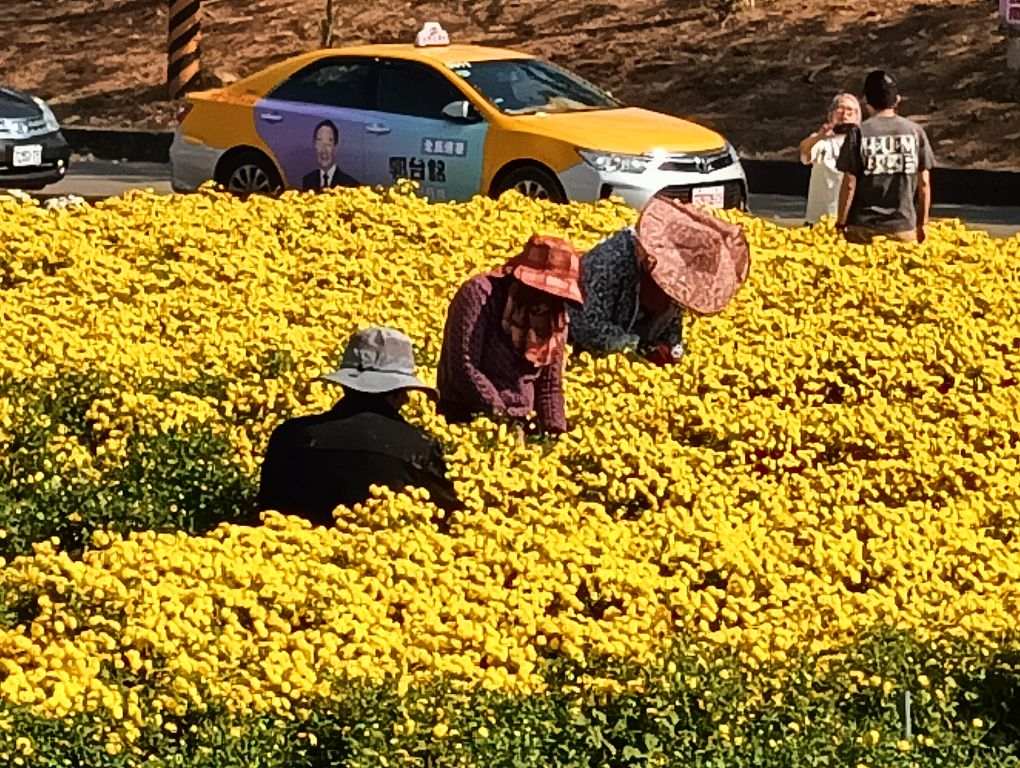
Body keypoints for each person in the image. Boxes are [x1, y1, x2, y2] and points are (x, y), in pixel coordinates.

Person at [257, 327, 461, 526]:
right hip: (384, 556)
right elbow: (446, 520)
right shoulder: (419, 447)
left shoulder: (289, 436)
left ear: (345, 385)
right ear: (398, 393)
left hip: (289, 554)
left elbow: (265, 511)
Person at [437, 235, 584, 435]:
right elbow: (464, 366)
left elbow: (550, 386)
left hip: (519, 423)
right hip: (464, 418)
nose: (548, 300)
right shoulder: (480, 295)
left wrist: (556, 434)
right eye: (542, 291)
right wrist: (501, 416)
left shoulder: (554, 319)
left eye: (557, 296)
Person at [835, 70, 935, 243]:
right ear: (897, 100)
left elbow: (849, 183)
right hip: (902, 227)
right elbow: (924, 183)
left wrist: (841, 222)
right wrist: (923, 223)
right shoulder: (915, 132)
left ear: (866, 100)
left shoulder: (858, 133)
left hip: (863, 228)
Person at [799, 93, 862, 223]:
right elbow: (804, 154)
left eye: (850, 110)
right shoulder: (821, 140)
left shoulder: (863, 143)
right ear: (831, 114)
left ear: (857, 115)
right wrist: (820, 136)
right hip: (818, 219)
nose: (845, 114)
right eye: (840, 108)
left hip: (847, 219)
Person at [301, 120, 359, 191]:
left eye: (328, 144)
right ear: (314, 145)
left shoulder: (350, 185)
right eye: (319, 142)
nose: (324, 150)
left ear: (335, 147)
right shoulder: (308, 180)